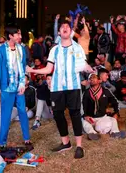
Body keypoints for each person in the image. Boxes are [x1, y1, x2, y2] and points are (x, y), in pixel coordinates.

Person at [26, 19, 94, 159]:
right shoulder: (54, 49)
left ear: (70, 31)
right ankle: (66, 142)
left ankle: (79, 146)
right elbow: (49, 69)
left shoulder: (77, 47)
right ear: (59, 32)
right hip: (57, 87)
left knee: (75, 114)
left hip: (73, 86)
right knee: (57, 114)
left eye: (67, 27)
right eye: (62, 26)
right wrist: (32, 70)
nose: (64, 28)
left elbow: (84, 64)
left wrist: (90, 70)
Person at [0, 26, 33, 152]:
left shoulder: (21, 49)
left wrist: (22, 84)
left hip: (19, 87)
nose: (20, 37)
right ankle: (2, 142)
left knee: (22, 112)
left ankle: (27, 139)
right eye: (18, 34)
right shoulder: (2, 50)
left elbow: (22, 68)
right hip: (6, 88)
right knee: (5, 114)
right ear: (10, 36)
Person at [82, 73, 126, 140]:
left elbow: (115, 102)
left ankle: (115, 132)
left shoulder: (106, 91)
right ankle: (92, 133)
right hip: (90, 118)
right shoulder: (86, 92)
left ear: (99, 80)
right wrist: (85, 116)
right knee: (82, 120)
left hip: (102, 117)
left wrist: (116, 113)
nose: (92, 79)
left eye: (94, 77)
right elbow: (82, 105)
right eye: (90, 78)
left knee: (113, 120)